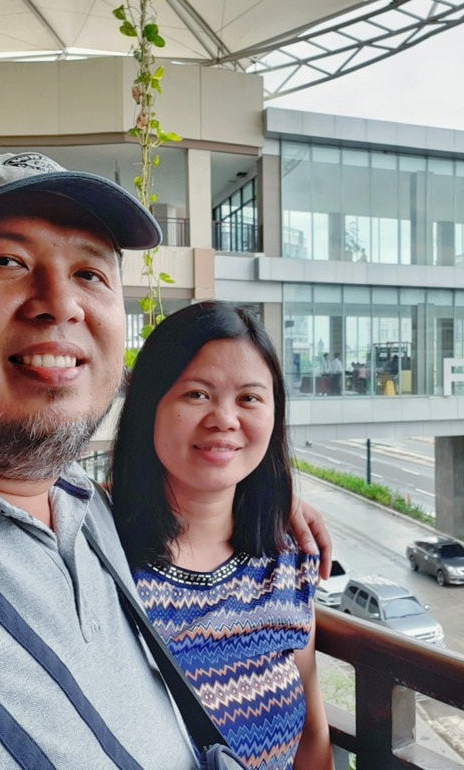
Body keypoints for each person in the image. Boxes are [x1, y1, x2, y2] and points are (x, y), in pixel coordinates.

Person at [0, 151, 331, 768]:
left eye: (91, 274)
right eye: (6, 261)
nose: (61, 303)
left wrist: (270, 495)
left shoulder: (81, 507)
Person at [111, 302, 333, 770]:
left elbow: (313, 741)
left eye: (249, 398)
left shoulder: (287, 564)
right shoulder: (97, 547)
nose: (224, 419)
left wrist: (281, 499)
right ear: (149, 404)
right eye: (196, 394)